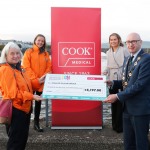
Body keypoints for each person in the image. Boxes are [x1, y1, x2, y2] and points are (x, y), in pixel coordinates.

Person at [104, 32, 150, 150]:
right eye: (128, 42)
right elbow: (127, 82)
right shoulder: (127, 59)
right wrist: (113, 83)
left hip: (139, 110)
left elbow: (139, 85)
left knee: (141, 144)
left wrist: (118, 96)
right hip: (127, 109)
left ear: (140, 42)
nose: (130, 44)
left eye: (134, 41)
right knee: (128, 144)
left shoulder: (146, 60)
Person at [0, 42, 45, 150]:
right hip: (16, 110)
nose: (15, 56)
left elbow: (27, 84)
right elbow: (13, 93)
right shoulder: (5, 70)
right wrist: (32, 97)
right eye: (12, 54)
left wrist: (38, 81)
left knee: (21, 140)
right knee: (16, 142)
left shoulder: (20, 68)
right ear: (6, 55)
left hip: (25, 109)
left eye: (17, 53)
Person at [22, 34, 52, 132]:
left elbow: (49, 67)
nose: (40, 42)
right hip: (30, 83)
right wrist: (36, 79)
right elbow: (26, 67)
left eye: (42, 41)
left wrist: (43, 77)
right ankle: (24, 125)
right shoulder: (28, 52)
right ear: (35, 40)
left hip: (41, 83)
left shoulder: (46, 54)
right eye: (39, 40)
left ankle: (36, 124)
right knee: (27, 104)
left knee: (38, 104)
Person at [103, 33, 129, 133]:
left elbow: (128, 62)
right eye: (111, 40)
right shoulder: (108, 52)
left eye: (115, 39)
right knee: (113, 102)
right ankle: (115, 125)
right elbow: (109, 65)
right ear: (109, 41)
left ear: (119, 40)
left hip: (121, 78)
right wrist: (105, 70)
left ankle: (121, 127)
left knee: (121, 102)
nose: (113, 41)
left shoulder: (124, 50)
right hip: (111, 79)